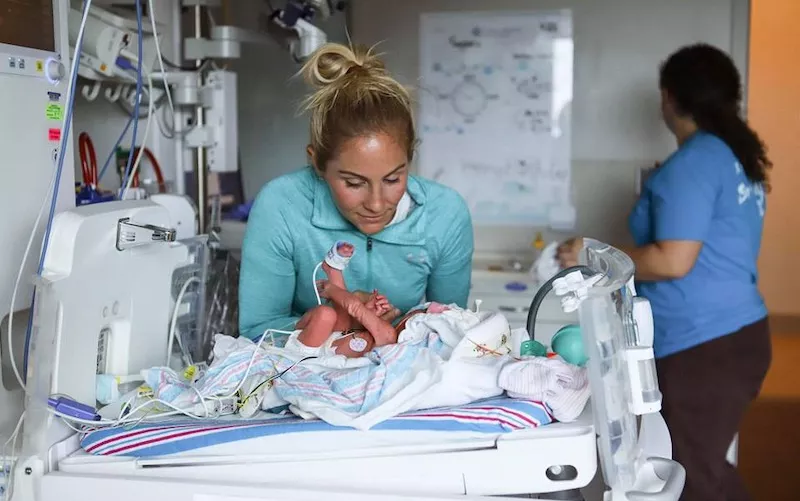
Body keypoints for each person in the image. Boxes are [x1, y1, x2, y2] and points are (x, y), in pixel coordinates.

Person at [558, 44, 771, 501]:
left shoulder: (693, 163)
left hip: (704, 345)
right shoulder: (731, 157)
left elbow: (674, 261)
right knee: (701, 467)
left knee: (691, 476)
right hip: (733, 337)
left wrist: (591, 255)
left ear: (669, 97)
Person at [239, 43, 474, 342]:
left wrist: (396, 326)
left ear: (409, 159)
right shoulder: (281, 206)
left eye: (393, 179)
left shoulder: (445, 215)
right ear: (317, 162)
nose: (376, 204)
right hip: (304, 367)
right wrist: (343, 316)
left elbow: (451, 329)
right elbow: (258, 333)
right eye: (353, 183)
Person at [286, 240, 451, 359]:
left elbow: (354, 306)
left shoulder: (389, 336)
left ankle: (333, 271)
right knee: (342, 316)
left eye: (417, 315)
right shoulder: (388, 332)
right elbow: (358, 317)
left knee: (326, 314)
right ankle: (333, 269)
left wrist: (331, 290)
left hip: (307, 352)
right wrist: (373, 311)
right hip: (334, 336)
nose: (411, 315)